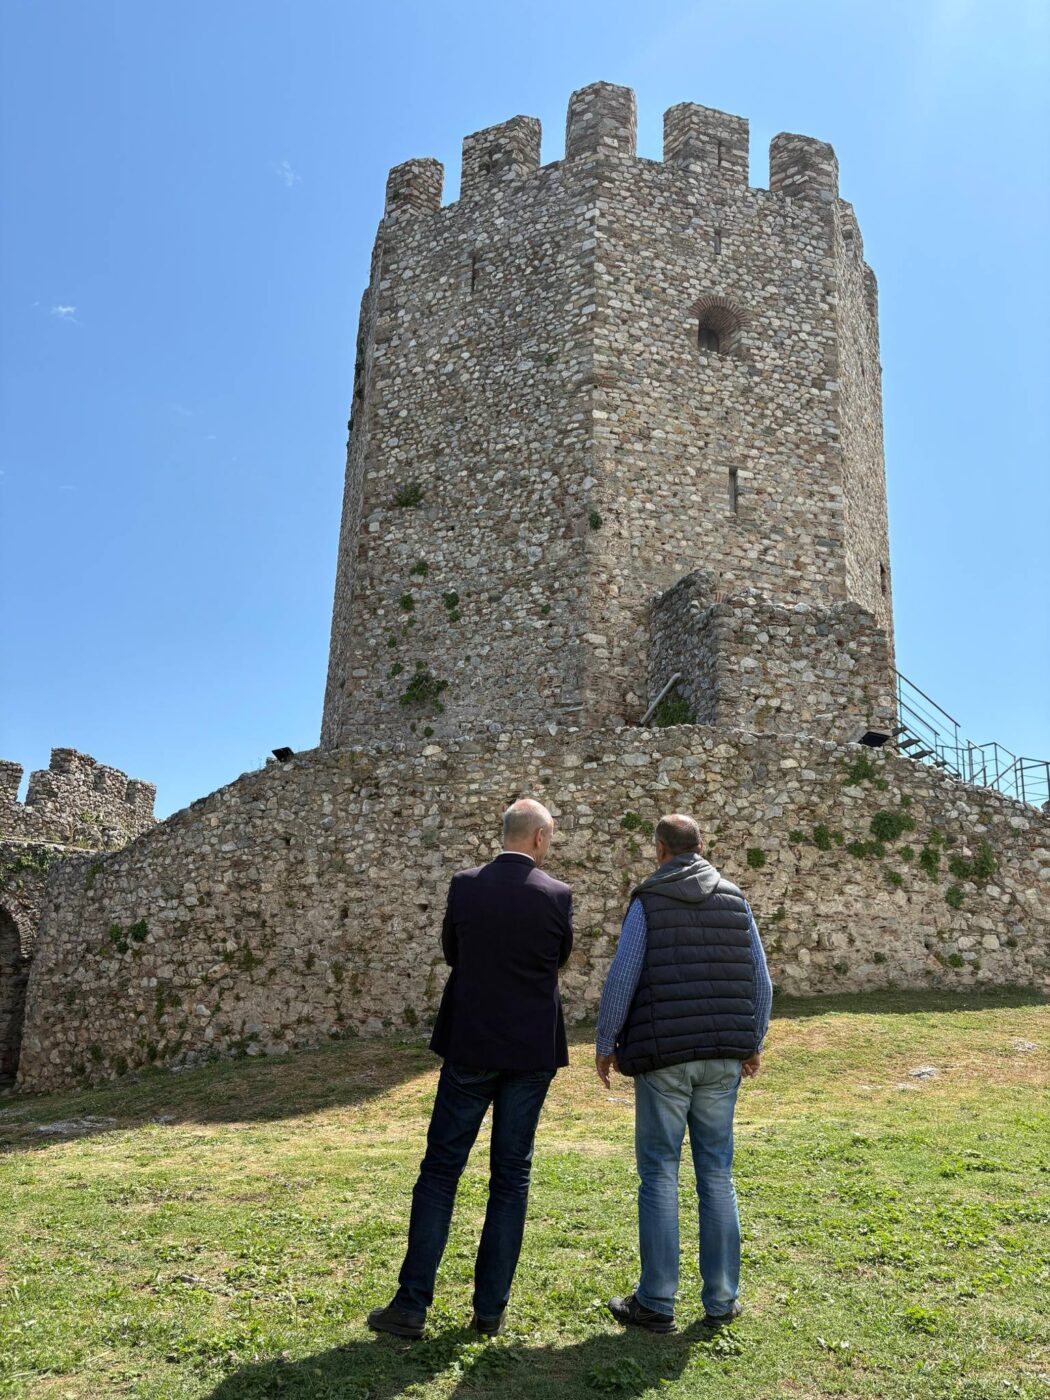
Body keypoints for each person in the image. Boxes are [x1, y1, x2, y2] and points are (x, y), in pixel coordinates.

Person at [368, 798, 573, 1341]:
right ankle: (489, 1311)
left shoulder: (465, 885)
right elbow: (559, 958)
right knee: (511, 1175)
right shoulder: (557, 895)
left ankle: (411, 1304)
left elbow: (452, 950)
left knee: (440, 1171)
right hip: (530, 1049)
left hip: (471, 1041)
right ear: (539, 837)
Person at [595, 813, 772, 1335]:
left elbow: (622, 978)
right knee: (717, 1174)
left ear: (660, 849)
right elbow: (761, 982)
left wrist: (605, 1044)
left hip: (664, 1058)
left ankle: (656, 1300)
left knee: (659, 1174)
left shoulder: (648, 901)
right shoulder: (735, 899)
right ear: (701, 845)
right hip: (722, 1057)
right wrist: (753, 1042)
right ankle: (721, 1300)